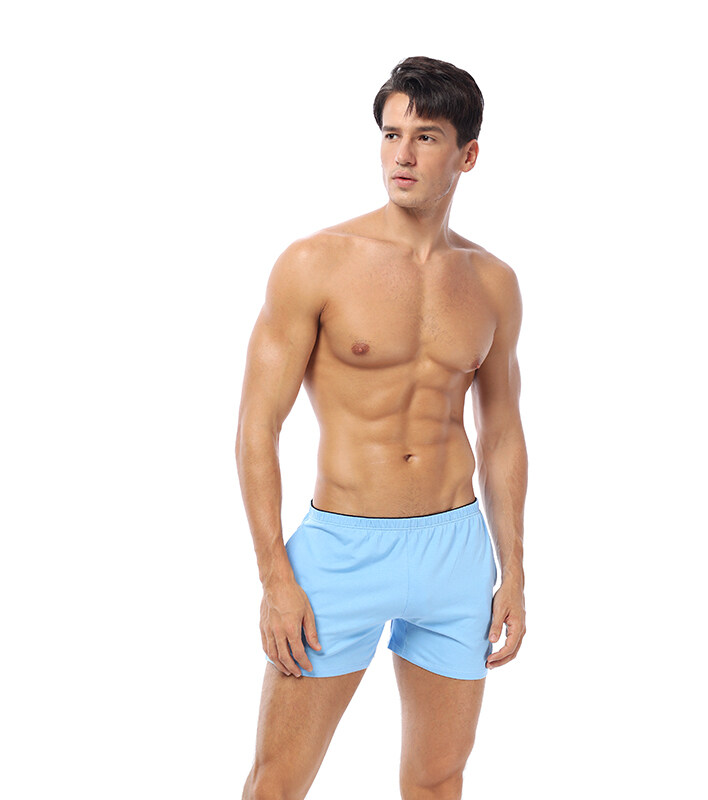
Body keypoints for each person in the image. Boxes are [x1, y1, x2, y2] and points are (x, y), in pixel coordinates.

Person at [235, 55, 527, 800]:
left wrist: (515, 572)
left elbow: (501, 433)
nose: (403, 154)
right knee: (277, 783)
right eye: (392, 134)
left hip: (456, 552)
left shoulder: (492, 282)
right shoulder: (316, 263)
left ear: (467, 155)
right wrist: (275, 577)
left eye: (426, 137)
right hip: (342, 550)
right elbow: (257, 428)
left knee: (438, 779)